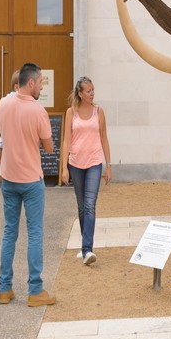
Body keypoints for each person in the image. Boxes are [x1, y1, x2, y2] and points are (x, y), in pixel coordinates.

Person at [0, 62, 56, 307]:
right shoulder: (38, 111)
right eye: (40, 83)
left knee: (9, 232)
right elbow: (50, 147)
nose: (41, 87)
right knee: (35, 234)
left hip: (8, 177)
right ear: (31, 83)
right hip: (31, 180)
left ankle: (4, 289)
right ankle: (35, 291)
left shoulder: (3, 104)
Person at [59, 76, 112, 266]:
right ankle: (85, 246)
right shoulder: (70, 112)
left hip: (94, 163)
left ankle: (87, 249)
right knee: (82, 207)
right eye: (88, 91)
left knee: (90, 205)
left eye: (93, 90)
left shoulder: (99, 111)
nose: (92, 93)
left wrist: (109, 165)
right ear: (80, 93)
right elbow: (66, 140)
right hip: (75, 163)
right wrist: (64, 167)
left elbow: (104, 138)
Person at [0, 70, 20, 179]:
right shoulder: (8, 98)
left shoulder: (27, 99)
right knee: (0, 146)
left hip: (19, 131)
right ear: (16, 87)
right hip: (8, 129)